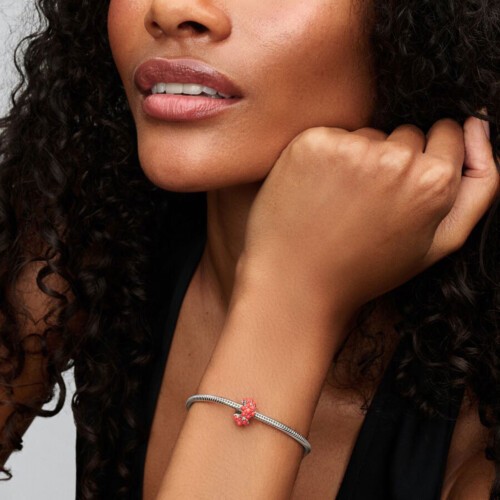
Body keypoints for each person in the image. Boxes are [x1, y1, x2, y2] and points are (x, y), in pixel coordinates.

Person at [0, 0, 499, 498]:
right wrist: (290, 298)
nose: (171, 9)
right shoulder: (90, 231)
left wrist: (291, 298)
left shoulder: (481, 428)